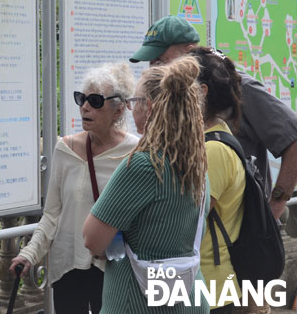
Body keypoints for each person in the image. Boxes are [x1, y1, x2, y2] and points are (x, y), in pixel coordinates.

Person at [130, 15, 297, 220]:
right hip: (197, 232)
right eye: (151, 64)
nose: (157, 70)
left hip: (244, 234)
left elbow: (294, 140)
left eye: (160, 61)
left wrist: (275, 205)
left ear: (190, 50)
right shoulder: (173, 98)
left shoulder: (238, 88)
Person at [83, 56, 210, 314]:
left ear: (148, 107)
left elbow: (92, 239)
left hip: (137, 303)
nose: (130, 109)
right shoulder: (196, 165)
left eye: (133, 102)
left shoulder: (143, 166)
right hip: (191, 299)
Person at [9, 62, 139, 314]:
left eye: (95, 100)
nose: (85, 107)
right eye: (82, 99)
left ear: (118, 109)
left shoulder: (135, 153)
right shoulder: (65, 149)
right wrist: (29, 254)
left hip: (113, 269)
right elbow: (52, 214)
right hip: (67, 267)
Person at [191, 46, 246, 313]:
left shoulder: (213, 149)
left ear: (202, 92)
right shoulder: (216, 135)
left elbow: (190, 219)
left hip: (212, 289)